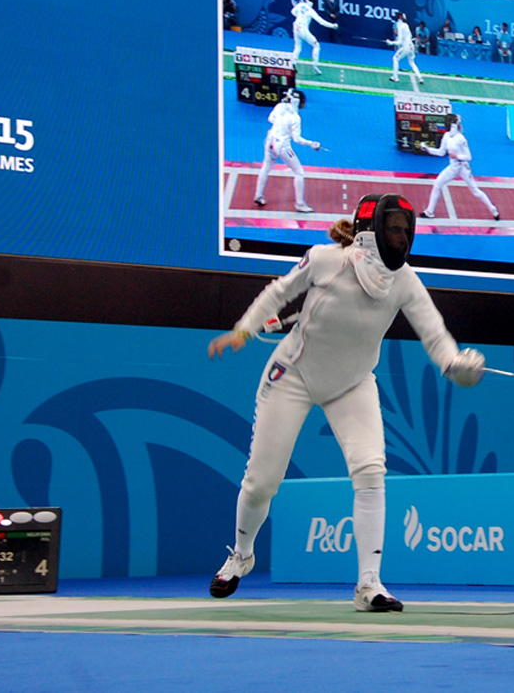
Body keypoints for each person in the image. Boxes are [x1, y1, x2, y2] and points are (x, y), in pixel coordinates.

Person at [207, 193, 486, 611]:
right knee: (262, 480)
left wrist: (453, 364)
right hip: (294, 375)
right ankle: (241, 555)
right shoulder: (324, 259)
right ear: (371, 229)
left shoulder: (405, 281)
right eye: (395, 228)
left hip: (353, 383)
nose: (402, 237)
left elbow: (434, 332)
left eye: (407, 230)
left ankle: (369, 585)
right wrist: (243, 331)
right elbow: (278, 293)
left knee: (371, 470)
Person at [419, 113, 499, 221]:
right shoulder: (446, 136)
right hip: (452, 168)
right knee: (437, 184)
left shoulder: (461, 139)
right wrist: (427, 149)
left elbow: (469, 157)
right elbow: (441, 152)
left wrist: (457, 156)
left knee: (475, 191)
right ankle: (430, 211)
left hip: (463, 168)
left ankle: (493, 209)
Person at [252, 88, 319, 214]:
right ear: (297, 101)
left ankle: (258, 195)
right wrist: (312, 144)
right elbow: (297, 139)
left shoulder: (280, 106)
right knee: (299, 172)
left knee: (266, 167)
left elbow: (270, 119)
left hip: (270, 141)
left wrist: (281, 121)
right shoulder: (295, 118)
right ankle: (299, 203)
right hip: (282, 146)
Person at [290, 0, 337, 75]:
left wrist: (299, 17)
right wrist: (333, 26)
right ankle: (315, 66)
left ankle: (293, 63)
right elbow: (322, 22)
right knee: (316, 45)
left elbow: (292, 12)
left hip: (295, 27)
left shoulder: (300, 5)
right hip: (303, 30)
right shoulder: (311, 11)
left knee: (298, 46)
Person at [387, 11, 424, 84]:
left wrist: (391, 43)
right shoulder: (406, 25)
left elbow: (400, 42)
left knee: (395, 59)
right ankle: (420, 78)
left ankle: (395, 77)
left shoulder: (400, 26)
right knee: (411, 62)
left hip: (406, 47)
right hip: (411, 47)